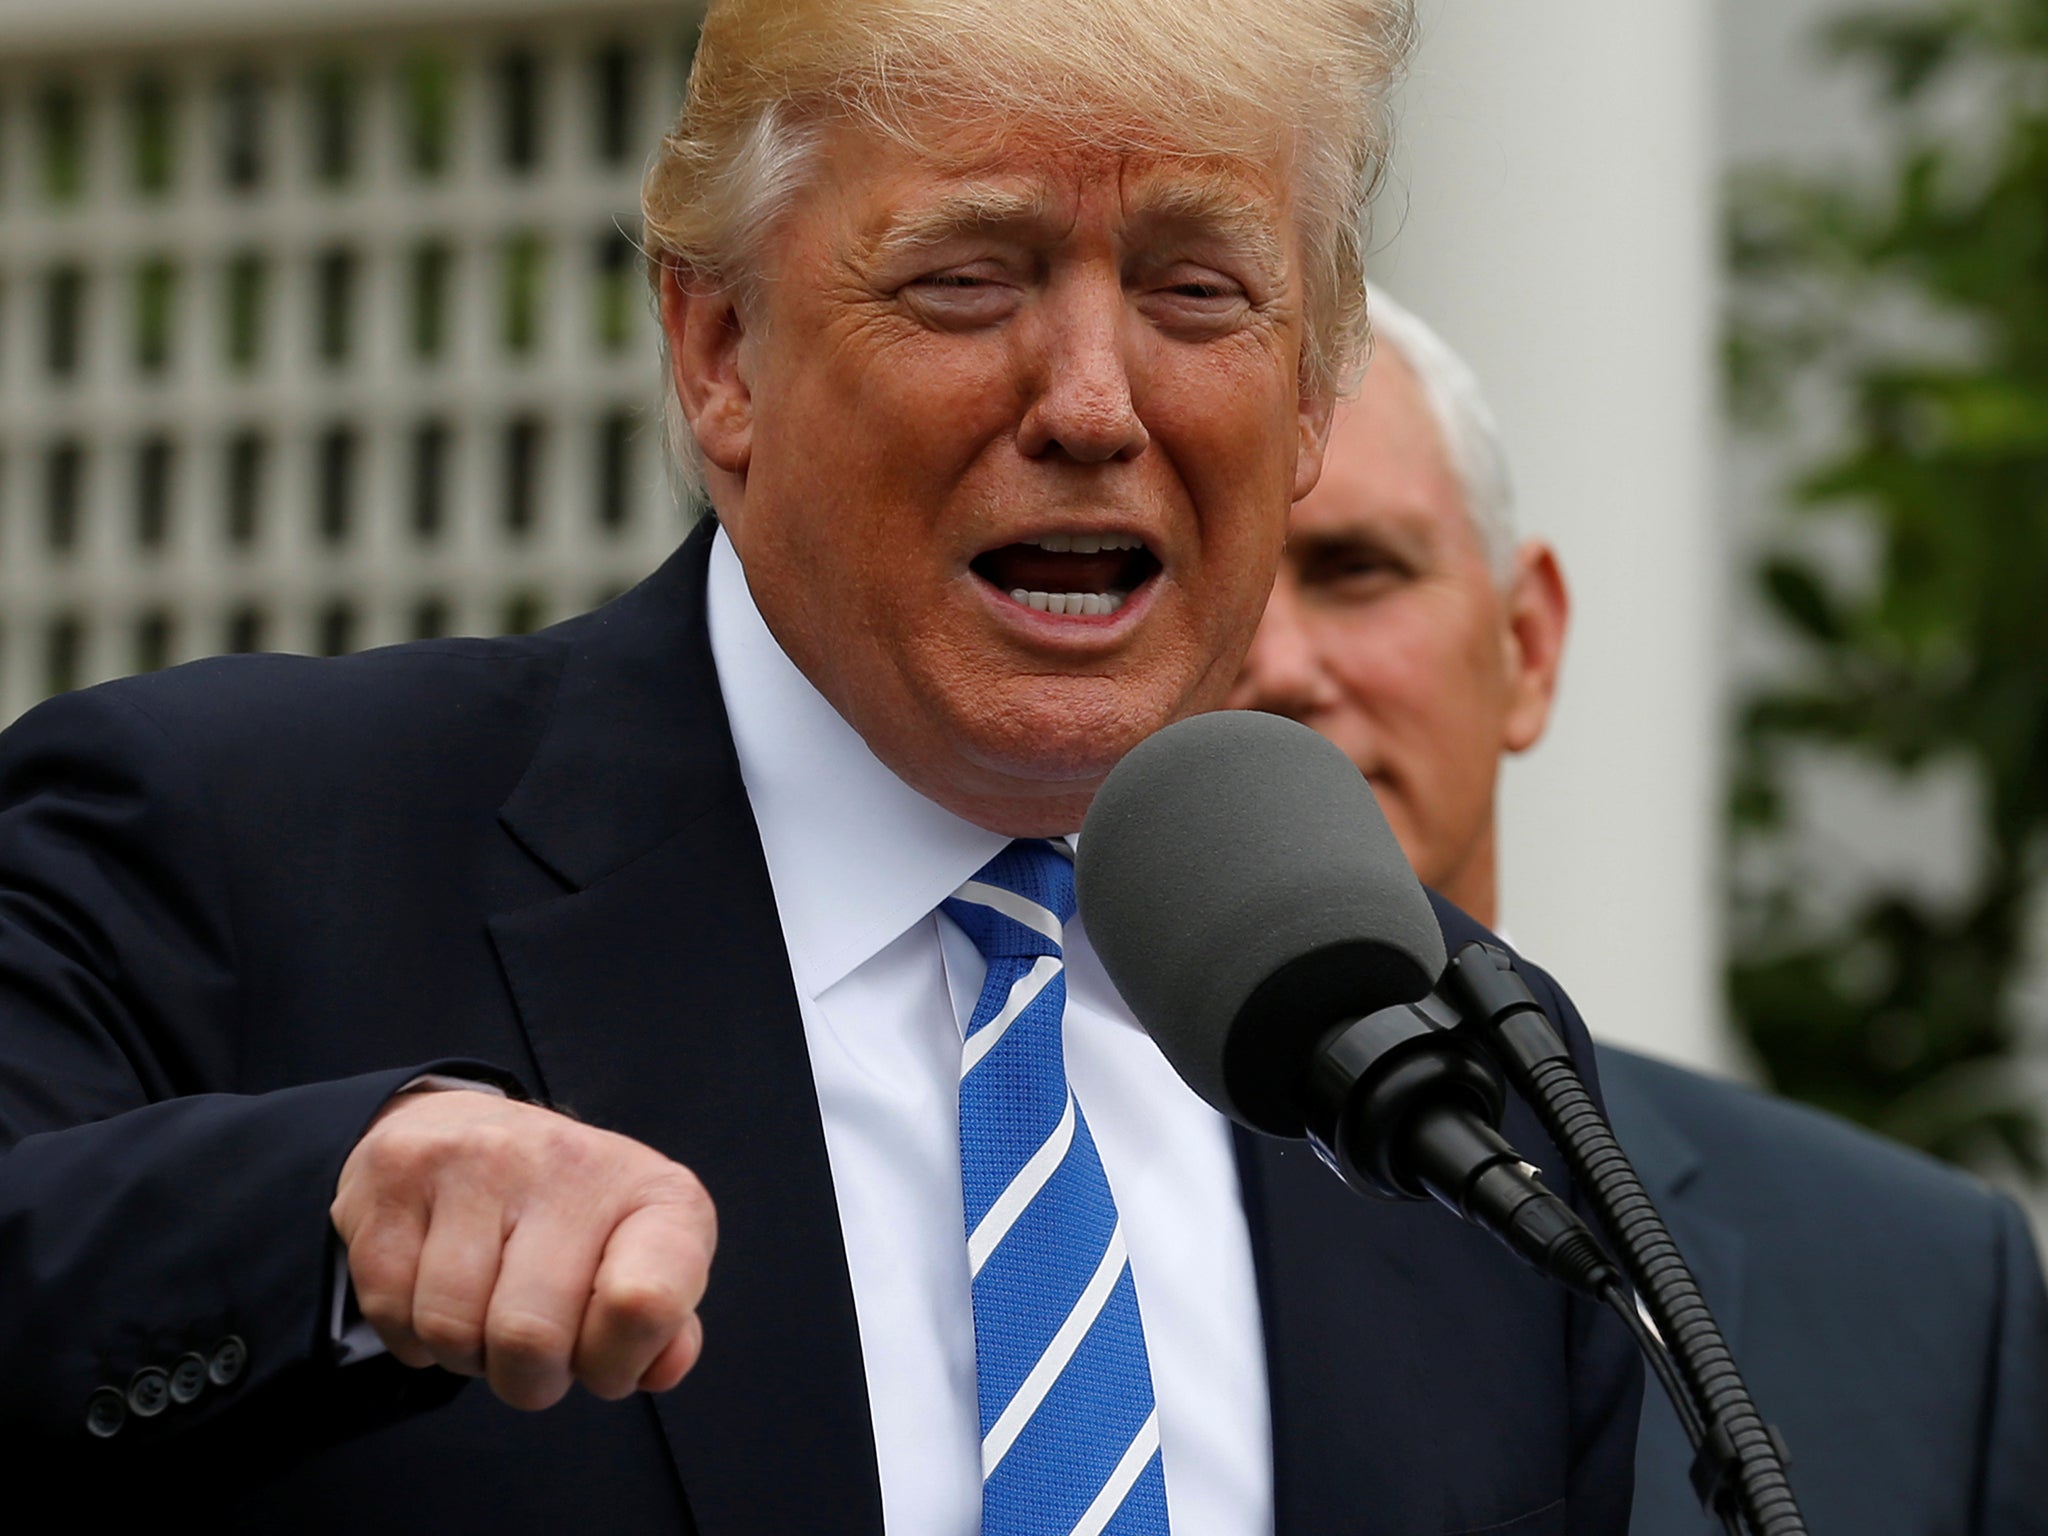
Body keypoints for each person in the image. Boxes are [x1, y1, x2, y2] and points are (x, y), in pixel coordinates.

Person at [0, 3, 1641, 1531]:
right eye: (965, 280)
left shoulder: (1453, 1077)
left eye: (1193, 292)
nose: (1089, 401)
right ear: (719, 348)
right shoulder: (234, 850)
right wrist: (316, 1223)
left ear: (1301, 400)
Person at [1231, 285, 2048, 1536]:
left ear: (1528, 645)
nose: (1282, 664)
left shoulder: (1923, 1287)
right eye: (1219, 583)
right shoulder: (1003, 1206)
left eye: (1357, 570)